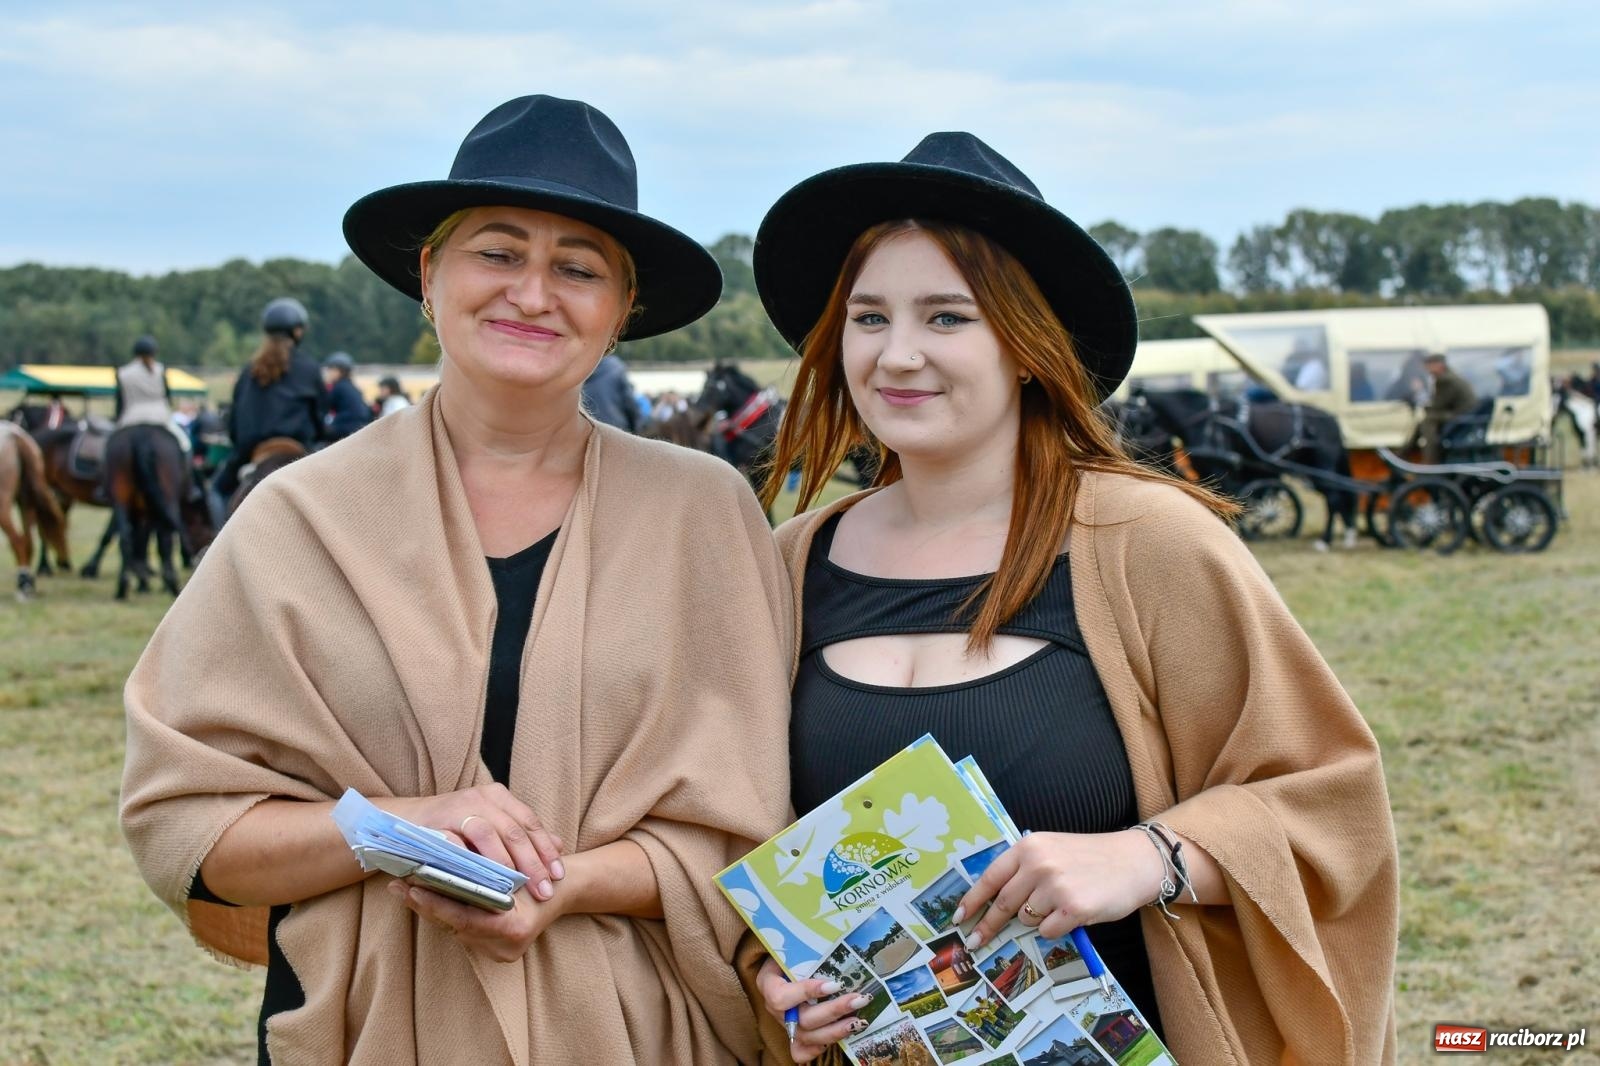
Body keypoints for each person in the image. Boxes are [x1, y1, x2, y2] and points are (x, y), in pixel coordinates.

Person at [120, 95, 792, 1065]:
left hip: (636, 1035)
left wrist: (568, 883)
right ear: (430, 275)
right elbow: (191, 826)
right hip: (360, 1029)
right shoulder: (297, 517)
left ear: (620, 312)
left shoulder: (708, 515)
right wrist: (393, 823)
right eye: (497, 252)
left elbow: (745, 835)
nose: (532, 292)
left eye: (577, 268)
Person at [746, 133, 1399, 1064]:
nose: (896, 356)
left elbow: (1332, 804)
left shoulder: (1147, 543)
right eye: (868, 317)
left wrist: (1149, 857)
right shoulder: (787, 566)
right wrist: (769, 979)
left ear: (1025, 344)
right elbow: (741, 839)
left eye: (946, 318)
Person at [214, 298, 328, 497]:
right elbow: (319, 417)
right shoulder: (309, 368)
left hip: (255, 452)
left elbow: (235, 424)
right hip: (300, 450)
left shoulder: (248, 371)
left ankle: (219, 528)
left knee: (216, 491)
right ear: (298, 331)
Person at [114, 334, 190, 456]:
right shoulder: (161, 370)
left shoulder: (123, 372)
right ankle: (188, 473)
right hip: (160, 418)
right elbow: (167, 397)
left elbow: (120, 403)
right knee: (185, 445)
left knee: (109, 447)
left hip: (130, 418)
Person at [1410, 351, 1477, 464]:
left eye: (1429, 364)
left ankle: (1430, 460)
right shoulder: (1449, 376)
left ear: (1439, 365)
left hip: (1461, 416)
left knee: (1429, 421)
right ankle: (1408, 452)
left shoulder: (1445, 380)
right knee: (1427, 420)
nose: (1426, 368)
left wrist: (1423, 404)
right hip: (1464, 415)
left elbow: (1438, 405)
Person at [581, 350, 641, 431]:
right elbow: (629, 403)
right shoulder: (615, 366)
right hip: (616, 427)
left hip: (586, 429)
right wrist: (635, 428)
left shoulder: (576, 366)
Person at [321, 351, 373, 441]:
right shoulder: (352, 387)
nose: (328, 373)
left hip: (345, 428)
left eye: (330, 369)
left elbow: (323, 407)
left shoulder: (338, 387)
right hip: (360, 427)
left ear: (339, 371)